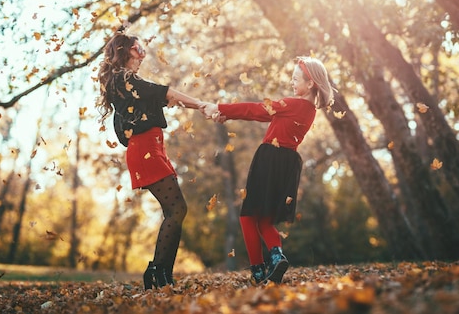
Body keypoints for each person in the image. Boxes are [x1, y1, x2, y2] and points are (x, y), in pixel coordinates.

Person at [201, 56, 334, 285]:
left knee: (247, 216)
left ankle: (258, 270)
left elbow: (257, 110)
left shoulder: (292, 104)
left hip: (269, 160)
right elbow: (262, 115)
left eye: (295, 79)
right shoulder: (310, 110)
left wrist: (219, 107)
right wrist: (226, 114)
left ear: (310, 83)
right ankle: (276, 256)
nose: (292, 83)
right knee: (265, 220)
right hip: (289, 165)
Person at [96, 26, 203, 290]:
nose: (143, 54)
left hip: (153, 148)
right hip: (145, 150)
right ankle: (158, 271)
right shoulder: (124, 81)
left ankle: (161, 273)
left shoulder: (128, 84)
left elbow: (164, 99)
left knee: (174, 211)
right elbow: (168, 94)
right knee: (177, 209)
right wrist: (203, 105)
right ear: (123, 51)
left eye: (143, 49)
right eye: (137, 48)